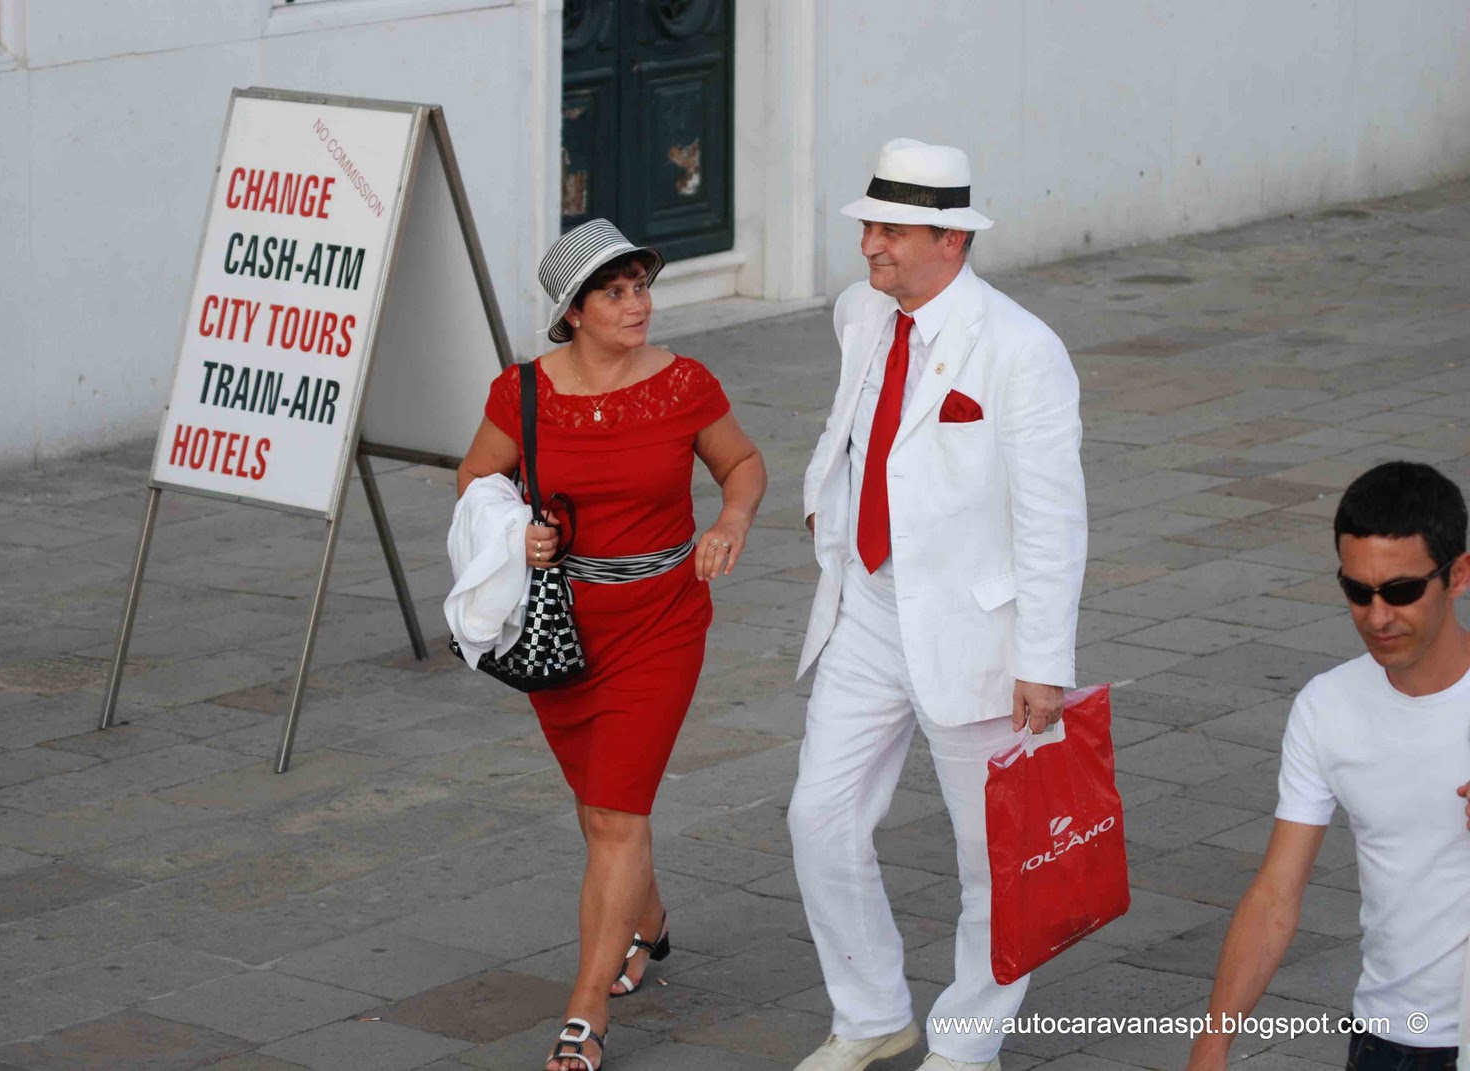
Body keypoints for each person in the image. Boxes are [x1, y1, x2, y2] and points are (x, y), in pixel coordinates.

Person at [788, 139, 1088, 1071]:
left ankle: (966, 1045)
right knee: (818, 817)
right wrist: (825, 500)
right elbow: (851, 422)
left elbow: (1053, 518)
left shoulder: (1023, 350)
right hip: (868, 607)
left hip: (978, 633)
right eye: (868, 225)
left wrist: (1043, 660)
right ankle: (870, 1011)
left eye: (890, 230)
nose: (869, 245)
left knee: (993, 858)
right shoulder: (862, 312)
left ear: (950, 240)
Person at [455, 218, 767, 1071]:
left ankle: (585, 1012)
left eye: (641, 288)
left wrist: (731, 521)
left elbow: (742, 464)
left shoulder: (684, 385)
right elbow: (476, 477)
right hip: (564, 627)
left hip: (663, 619)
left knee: (617, 811)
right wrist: (517, 533)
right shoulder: (522, 392)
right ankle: (648, 920)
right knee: (600, 808)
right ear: (573, 312)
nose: (638, 305)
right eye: (616, 293)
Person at [1187, 461, 1470, 1071]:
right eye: (1357, 591)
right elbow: (1275, 895)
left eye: (1401, 591)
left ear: (1459, 575)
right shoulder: (1327, 707)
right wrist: (1212, 1045)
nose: (1377, 616)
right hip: (1387, 1040)